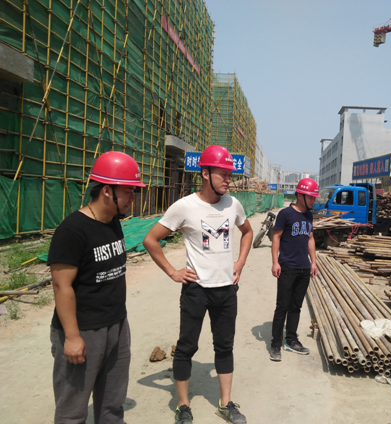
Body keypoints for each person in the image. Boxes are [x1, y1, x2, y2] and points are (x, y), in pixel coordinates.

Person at [143, 145, 253, 424]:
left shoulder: (233, 204)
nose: (228, 179)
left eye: (230, 174)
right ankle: (183, 406)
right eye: (223, 173)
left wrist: (240, 262)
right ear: (205, 174)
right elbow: (151, 240)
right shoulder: (185, 206)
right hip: (196, 291)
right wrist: (172, 272)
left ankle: (225, 404)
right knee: (186, 347)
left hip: (226, 289)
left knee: (224, 346)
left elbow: (247, 232)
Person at [47, 151, 145, 423]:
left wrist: (119, 325)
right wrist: (72, 337)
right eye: (128, 191)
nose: (133, 197)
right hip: (84, 330)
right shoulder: (72, 231)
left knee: (112, 405)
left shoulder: (113, 222)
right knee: (72, 411)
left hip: (116, 325)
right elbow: (61, 286)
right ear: (106, 191)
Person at [269, 178, 319, 362]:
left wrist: (313, 262)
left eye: (314, 197)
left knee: (296, 307)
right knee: (282, 306)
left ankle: (291, 340)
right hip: (287, 267)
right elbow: (276, 237)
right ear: (300, 196)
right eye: (311, 197)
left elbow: (310, 238)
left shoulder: (309, 216)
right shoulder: (285, 214)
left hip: (304, 268)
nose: (313, 200)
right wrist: (275, 262)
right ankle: (276, 344)